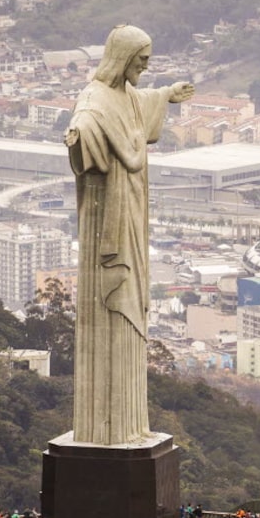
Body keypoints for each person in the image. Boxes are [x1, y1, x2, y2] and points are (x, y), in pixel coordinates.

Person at [65, 25, 195, 445]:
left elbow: (139, 101)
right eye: (141, 61)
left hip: (133, 211)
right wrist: (78, 136)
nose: (145, 66)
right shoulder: (94, 99)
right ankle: (105, 431)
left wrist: (166, 93)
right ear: (122, 58)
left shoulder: (124, 94)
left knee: (132, 312)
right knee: (109, 312)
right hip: (108, 217)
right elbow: (85, 123)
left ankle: (130, 426)